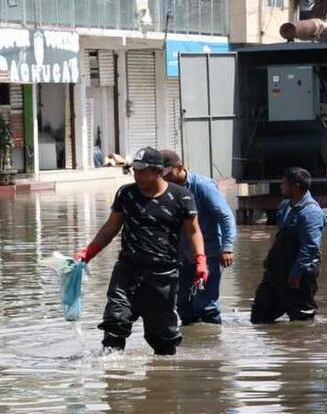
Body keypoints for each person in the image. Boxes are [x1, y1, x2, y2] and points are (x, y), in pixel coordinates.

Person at [74, 147, 206, 355]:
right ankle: (112, 373)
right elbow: (110, 228)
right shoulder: (126, 194)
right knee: (115, 322)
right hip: (127, 269)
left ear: (158, 171)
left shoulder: (182, 197)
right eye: (134, 170)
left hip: (163, 274)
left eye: (142, 171)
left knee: (163, 338)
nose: (137, 175)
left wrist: (201, 261)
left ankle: (163, 378)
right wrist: (87, 253)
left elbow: (194, 232)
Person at [160, 149, 237, 325]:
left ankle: (213, 344)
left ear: (180, 167)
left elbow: (225, 216)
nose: (165, 178)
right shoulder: (167, 189)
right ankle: (191, 345)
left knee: (206, 306)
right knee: (183, 306)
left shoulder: (203, 186)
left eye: (168, 174)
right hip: (182, 255)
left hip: (208, 252)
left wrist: (227, 247)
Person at [250, 167, 326, 323]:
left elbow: (310, 246)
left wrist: (297, 272)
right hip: (276, 269)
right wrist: (270, 258)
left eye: (284, 183)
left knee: (301, 316)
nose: (280, 186)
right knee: (260, 313)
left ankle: (301, 345)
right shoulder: (285, 206)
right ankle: (278, 345)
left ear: (296, 186)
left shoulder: (311, 212)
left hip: (298, 271)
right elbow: (280, 236)